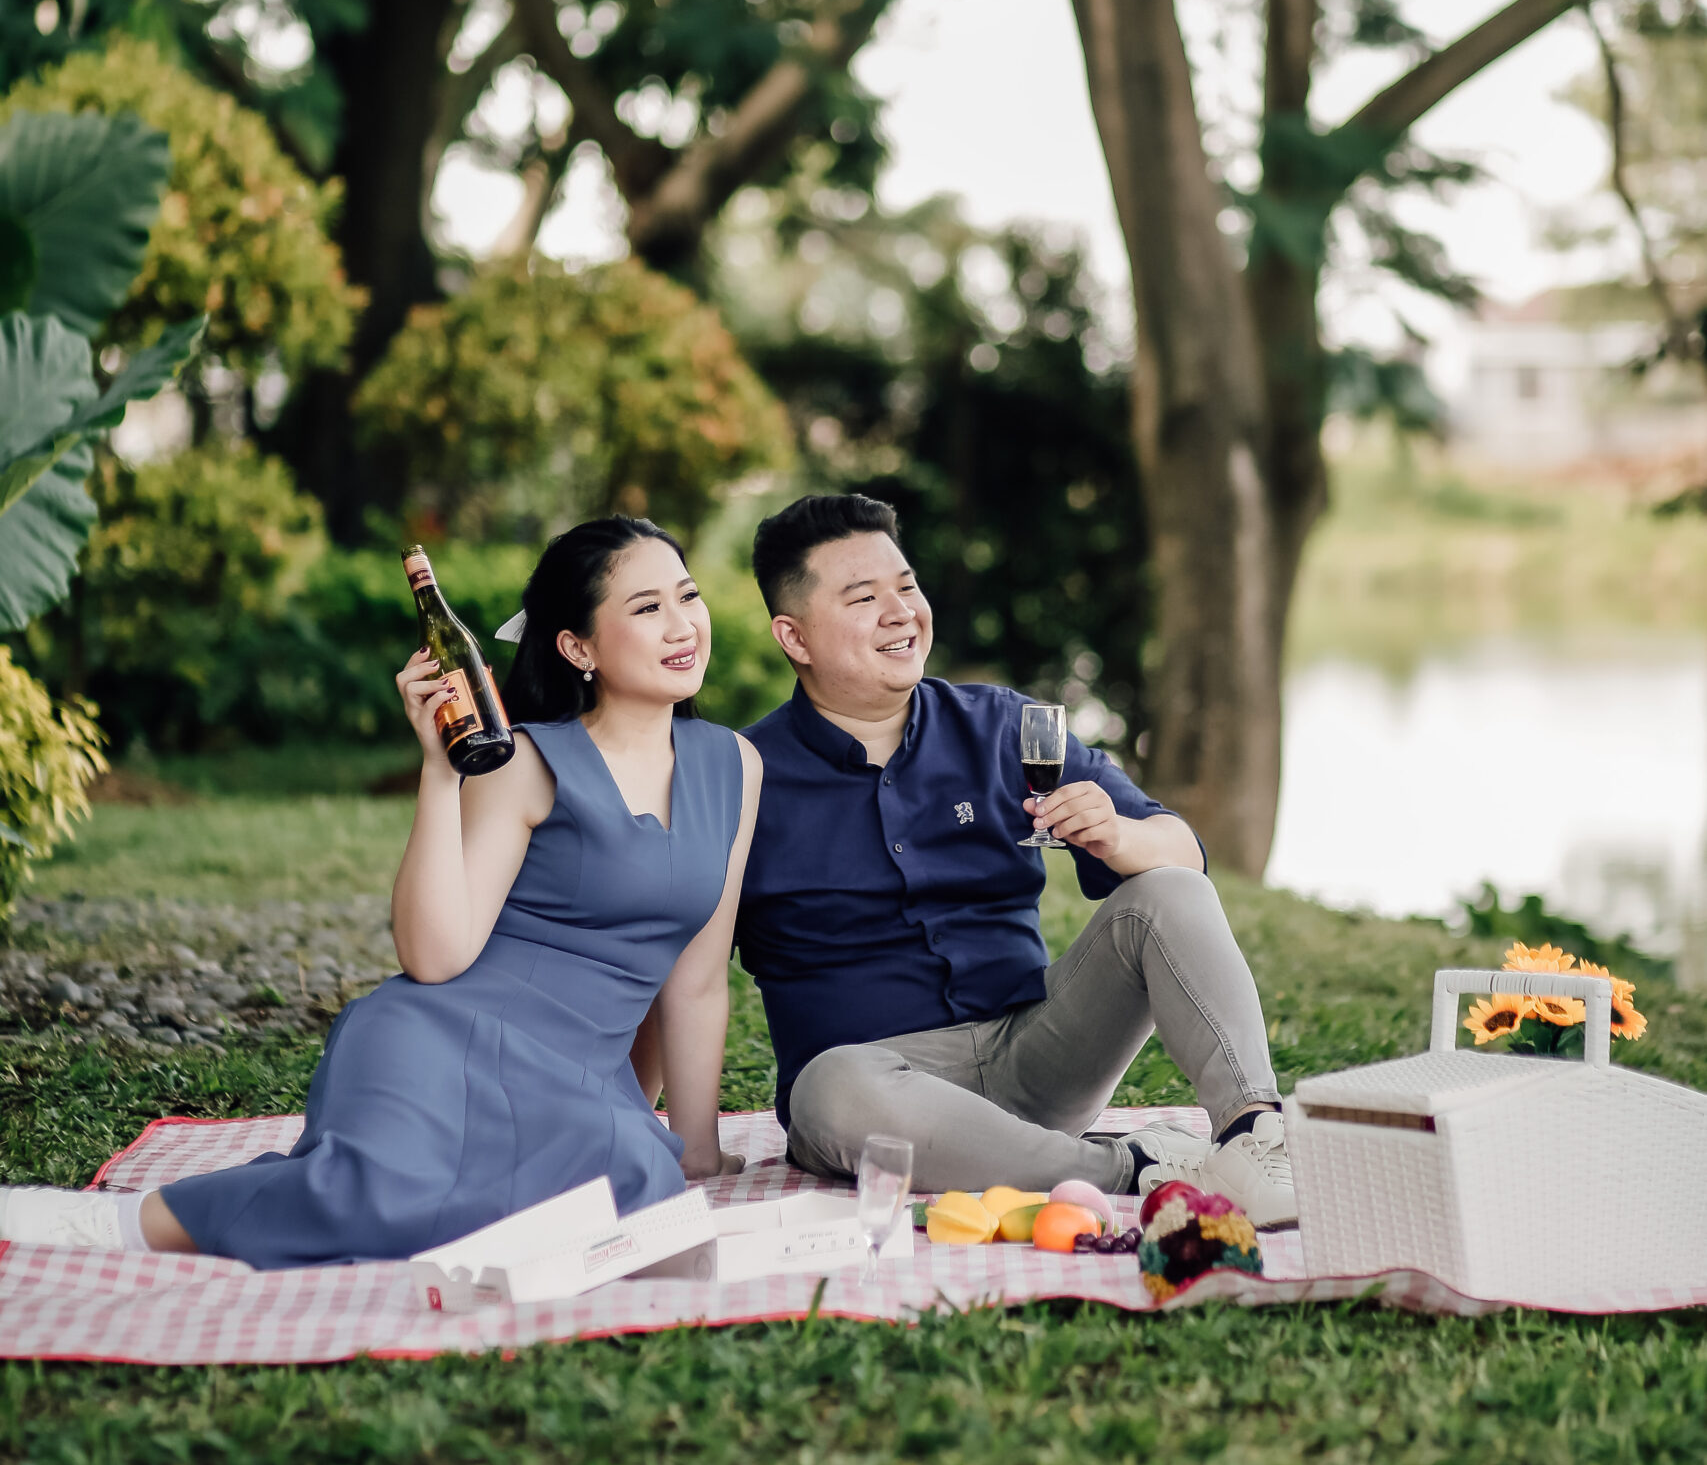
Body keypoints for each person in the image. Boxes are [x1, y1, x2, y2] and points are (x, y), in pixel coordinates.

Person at [0, 517, 761, 1265]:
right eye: (647, 607)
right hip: (447, 1039)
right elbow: (436, 957)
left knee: (627, 1189)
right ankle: (126, 1223)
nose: (682, 625)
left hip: (576, 1080)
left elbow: (693, 981)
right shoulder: (527, 763)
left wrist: (694, 1148)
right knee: (383, 1199)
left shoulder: (734, 766)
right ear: (577, 648)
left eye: (688, 597)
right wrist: (439, 772)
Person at [734, 493, 1296, 1227]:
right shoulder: (744, 776)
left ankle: (1253, 1138)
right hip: (878, 1094)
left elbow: (1182, 850)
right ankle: (1132, 1166)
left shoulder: (1001, 726)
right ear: (795, 636)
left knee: (1169, 891)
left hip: (1034, 1056)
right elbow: (678, 964)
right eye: (863, 597)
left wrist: (1118, 838)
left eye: (906, 586)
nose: (900, 612)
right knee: (828, 1087)